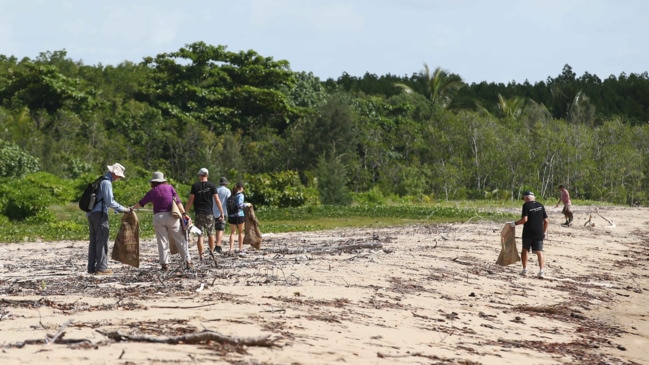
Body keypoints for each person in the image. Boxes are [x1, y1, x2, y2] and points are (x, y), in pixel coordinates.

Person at [132, 171, 194, 271]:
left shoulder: (152, 192)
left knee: (162, 241)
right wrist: (184, 213)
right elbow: (178, 202)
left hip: (158, 217)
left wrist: (132, 208)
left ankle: (165, 265)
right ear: (163, 180)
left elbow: (141, 203)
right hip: (171, 216)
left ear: (153, 182)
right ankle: (187, 262)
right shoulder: (170, 188)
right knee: (180, 239)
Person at [87, 163, 132, 275]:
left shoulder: (101, 180)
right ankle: (102, 268)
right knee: (102, 240)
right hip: (100, 214)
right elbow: (110, 202)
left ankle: (91, 267)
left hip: (91, 213)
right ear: (114, 173)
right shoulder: (107, 183)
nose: (119, 178)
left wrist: (120, 209)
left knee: (94, 241)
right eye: (119, 176)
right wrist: (124, 209)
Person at [184, 168, 224, 260]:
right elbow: (217, 200)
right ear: (207, 175)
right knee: (210, 233)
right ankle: (211, 253)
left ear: (200, 176)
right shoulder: (212, 186)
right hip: (209, 213)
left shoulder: (195, 186)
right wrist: (221, 212)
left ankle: (201, 255)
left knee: (200, 235)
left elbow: (191, 200)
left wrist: (185, 212)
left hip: (199, 213)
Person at [510, 191, 548, 278]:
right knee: (539, 251)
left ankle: (525, 269)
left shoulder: (526, 205)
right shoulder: (540, 205)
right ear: (533, 197)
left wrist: (515, 223)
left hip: (528, 231)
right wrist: (544, 232)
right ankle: (541, 271)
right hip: (539, 232)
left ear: (526, 198)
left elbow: (524, 219)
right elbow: (546, 221)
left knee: (525, 250)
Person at [228, 181, 250, 255]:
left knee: (232, 233)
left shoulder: (231, 195)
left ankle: (231, 248)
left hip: (231, 215)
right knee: (240, 232)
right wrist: (247, 204)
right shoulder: (241, 195)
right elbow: (240, 205)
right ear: (241, 188)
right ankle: (240, 248)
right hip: (239, 215)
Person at [214, 176, 231, 254]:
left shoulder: (215, 190)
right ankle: (218, 245)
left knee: (217, 229)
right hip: (223, 212)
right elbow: (229, 201)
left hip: (213, 211)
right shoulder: (227, 191)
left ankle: (217, 244)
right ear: (226, 183)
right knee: (221, 229)